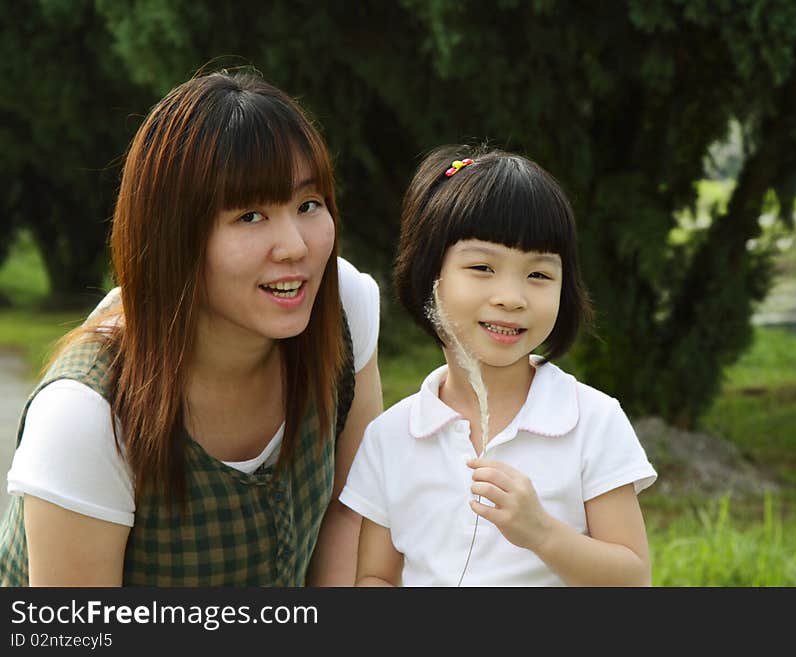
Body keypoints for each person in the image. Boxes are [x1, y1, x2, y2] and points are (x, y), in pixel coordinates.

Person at [0, 70, 383, 586]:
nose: (295, 246)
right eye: (250, 216)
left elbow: (351, 509)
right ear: (172, 236)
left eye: (307, 205)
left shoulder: (341, 307)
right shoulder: (87, 416)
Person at [339, 145, 657, 586]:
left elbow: (633, 578)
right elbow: (376, 576)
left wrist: (540, 532)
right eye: (483, 267)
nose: (512, 296)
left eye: (539, 275)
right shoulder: (391, 438)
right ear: (430, 276)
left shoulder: (592, 422)